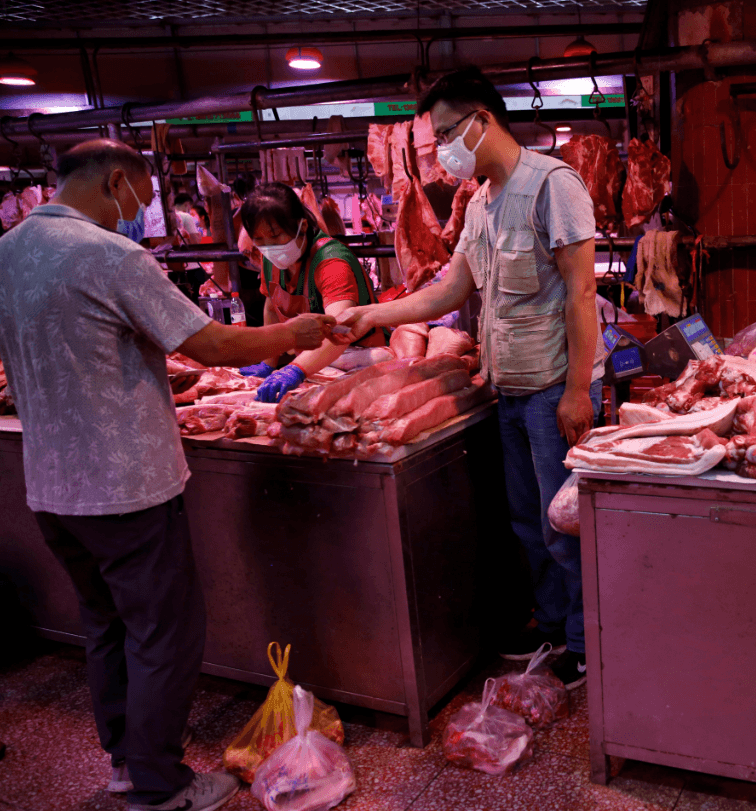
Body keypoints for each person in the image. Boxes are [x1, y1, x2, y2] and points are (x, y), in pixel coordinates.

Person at [0, 139, 336, 811]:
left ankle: (126, 763)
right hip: (125, 485)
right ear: (117, 181)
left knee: (107, 624)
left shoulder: (9, 250)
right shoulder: (110, 255)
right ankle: (160, 784)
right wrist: (295, 335)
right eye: (142, 199)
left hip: (53, 485)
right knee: (162, 631)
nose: (141, 214)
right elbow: (206, 342)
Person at [336, 67, 602, 688]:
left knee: (560, 524)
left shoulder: (551, 185)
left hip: (548, 390)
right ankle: (555, 624)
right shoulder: (481, 200)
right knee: (524, 521)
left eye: (449, 132)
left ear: (483, 120)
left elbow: (582, 293)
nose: (445, 152)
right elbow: (452, 288)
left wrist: (578, 389)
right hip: (504, 389)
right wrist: (369, 314)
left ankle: (587, 642)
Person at [239, 183, 383, 402]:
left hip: (363, 362)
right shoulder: (271, 260)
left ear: (302, 226)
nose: (269, 247)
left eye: (275, 236)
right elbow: (271, 309)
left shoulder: (331, 261)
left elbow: (340, 329)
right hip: (313, 367)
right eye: (259, 240)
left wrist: (295, 369)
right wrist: (269, 362)